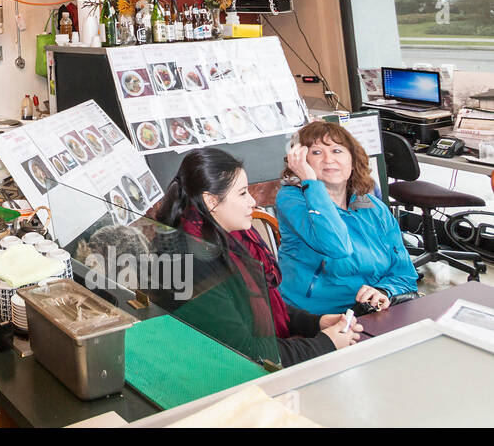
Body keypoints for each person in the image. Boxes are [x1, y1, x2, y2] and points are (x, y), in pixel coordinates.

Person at [154, 147, 360, 367]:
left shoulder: (231, 238)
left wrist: (316, 322)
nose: (253, 202)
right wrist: (326, 343)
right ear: (211, 201)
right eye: (242, 193)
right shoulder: (192, 260)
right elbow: (247, 353)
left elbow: (265, 305)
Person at [277, 120, 419, 316]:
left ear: (352, 159)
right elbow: (336, 246)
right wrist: (310, 181)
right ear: (301, 162)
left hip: (370, 310)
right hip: (316, 317)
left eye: (337, 151)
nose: (329, 159)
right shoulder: (292, 199)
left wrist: (384, 290)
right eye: (316, 152)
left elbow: (405, 274)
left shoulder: (373, 206)